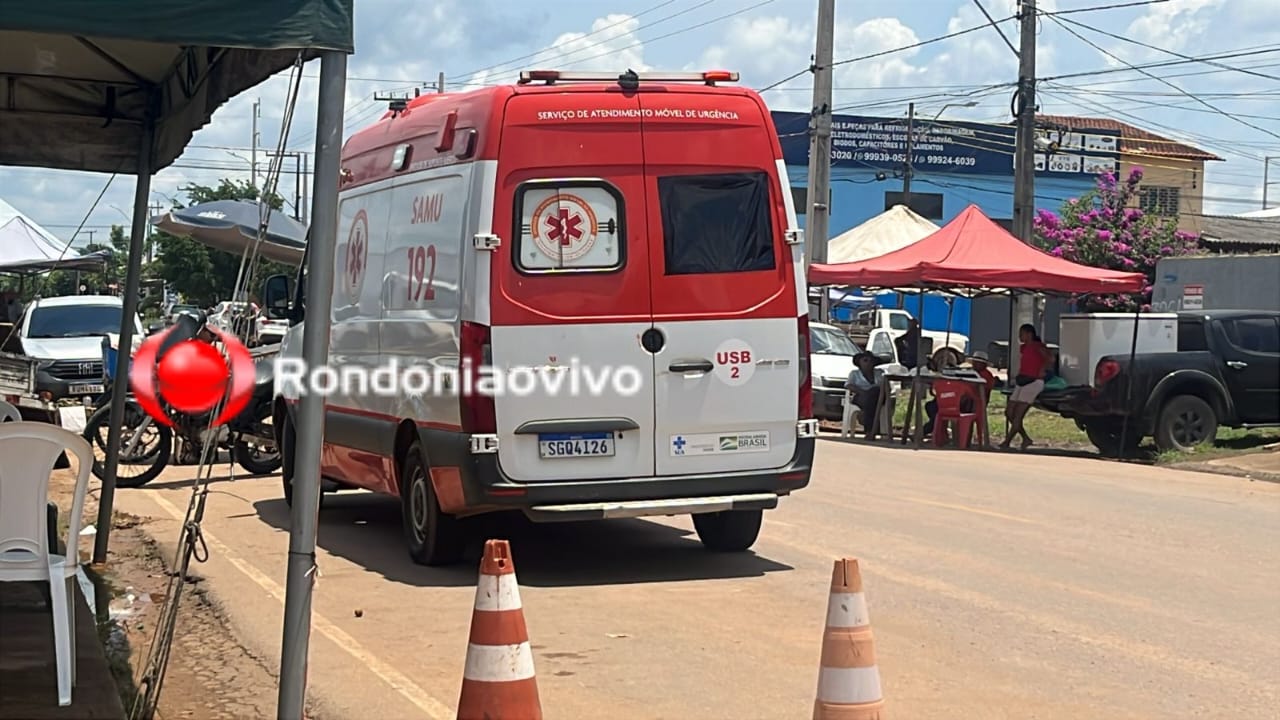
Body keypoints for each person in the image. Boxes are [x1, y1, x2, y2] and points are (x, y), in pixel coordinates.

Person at [1001, 323, 1054, 450]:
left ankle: (1007, 441)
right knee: (1009, 412)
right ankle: (1025, 438)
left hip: (1033, 382)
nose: (1020, 336)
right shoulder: (1024, 348)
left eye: (1022, 334)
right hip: (1022, 381)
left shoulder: (1038, 346)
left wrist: (1042, 369)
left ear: (1029, 334)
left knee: (1018, 414)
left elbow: (1050, 358)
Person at [846, 351, 886, 439]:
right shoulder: (854, 373)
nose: (868, 363)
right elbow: (849, 385)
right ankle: (872, 430)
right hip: (861, 396)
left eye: (871, 361)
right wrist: (862, 391)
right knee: (870, 400)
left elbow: (885, 385)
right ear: (859, 362)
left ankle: (870, 430)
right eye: (865, 360)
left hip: (878, 396)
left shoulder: (880, 372)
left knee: (873, 394)